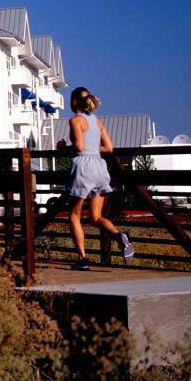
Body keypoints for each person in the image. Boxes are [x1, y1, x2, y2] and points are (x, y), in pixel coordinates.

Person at [56, 87, 135, 270]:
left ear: (75, 102)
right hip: (99, 167)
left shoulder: (76, 120)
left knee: (74, 215)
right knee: (96, 217)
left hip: (83, 168)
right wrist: (92, 149)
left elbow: (78, 146)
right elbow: (109, 148)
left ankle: (83, 259)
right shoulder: (97, 121)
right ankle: (118, 236)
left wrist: (63, 148)